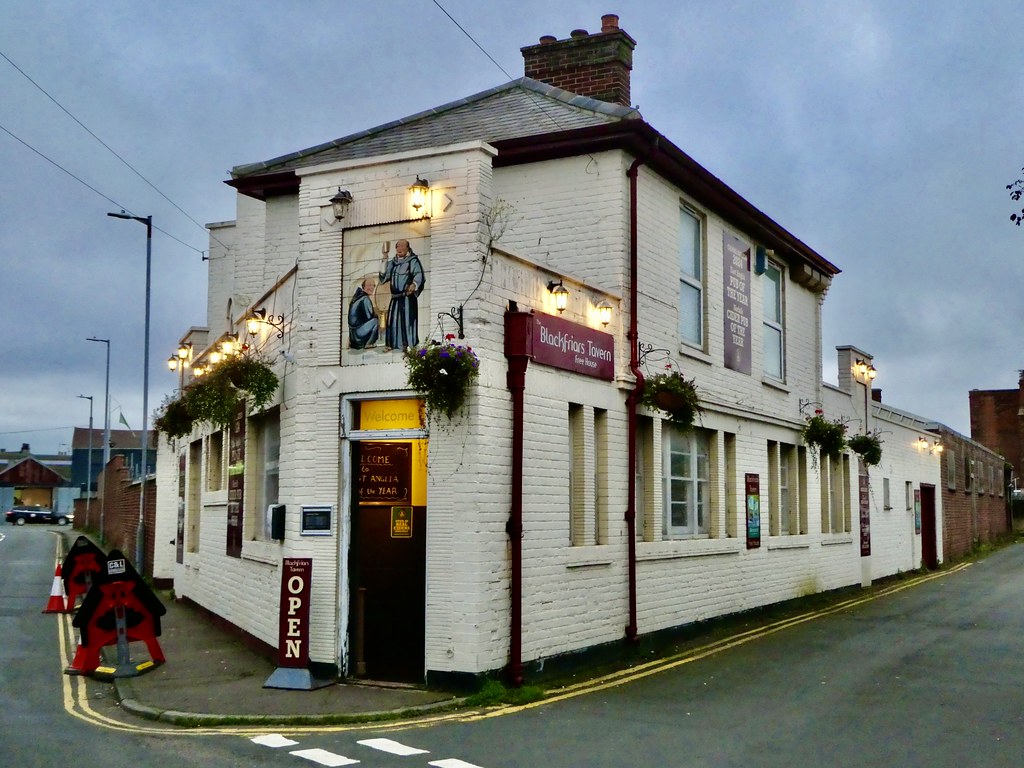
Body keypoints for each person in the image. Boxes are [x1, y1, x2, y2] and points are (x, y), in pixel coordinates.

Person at [379, 239, 425, 350]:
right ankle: (392, 344)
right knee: (393, 321)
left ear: (408, 248)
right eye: (398, 246)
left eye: (402, 246)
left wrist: (414, 284)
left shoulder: (413, 261)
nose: (400, 249)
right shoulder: (393, 262)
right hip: (395, 298)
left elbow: (419, 274)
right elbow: (383, 277)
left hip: (407, 298)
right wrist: (385, 257)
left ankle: (409, 345)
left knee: (407, 321)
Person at [347, 276, 379, 349]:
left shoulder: (357, 297)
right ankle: (369, 343)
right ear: (363, 287)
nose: (371, 288)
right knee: (375, 321)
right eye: (369, 285)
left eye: (373, 285)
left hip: (353, 334)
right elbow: (369, 317)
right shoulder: (365, 298)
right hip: (358, 332)